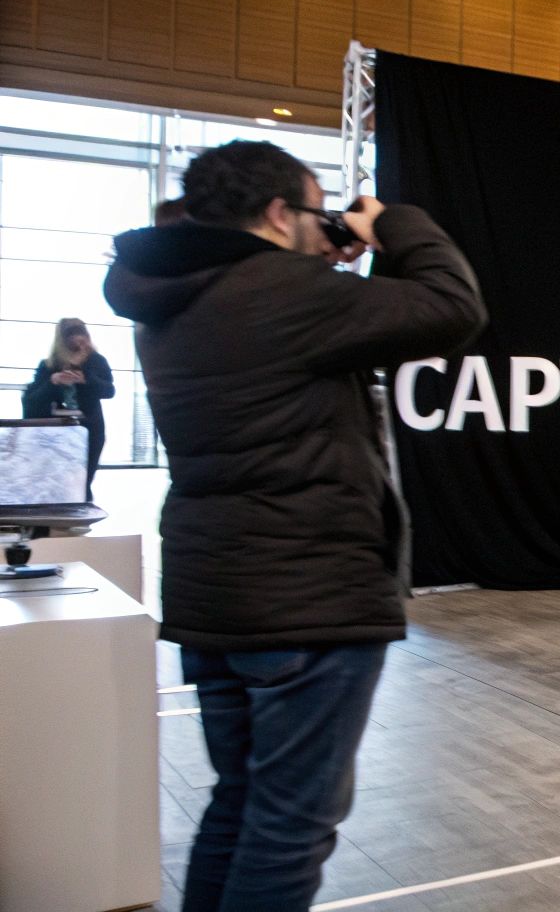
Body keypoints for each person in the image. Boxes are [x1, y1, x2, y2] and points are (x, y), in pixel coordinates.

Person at [104, 140, 486, 911]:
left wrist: (324, 257)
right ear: (281, 212)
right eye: (315, 210)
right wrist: (393, 223)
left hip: (217, 596)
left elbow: (298, 341)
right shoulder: (289, 292)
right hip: (307, 599)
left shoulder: (174, 293)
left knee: (239, 806)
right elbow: (453, 305)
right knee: (290, 831)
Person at [22, 317, 116, 498]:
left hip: (89, 430)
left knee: (83, 482)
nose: (77, 340)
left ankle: (80, 517)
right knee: (54, 482)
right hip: (56, 434)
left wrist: (85, 377)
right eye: (72, 335)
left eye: (81, 334)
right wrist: (53, 381)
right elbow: (32, 401)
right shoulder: (49, 365)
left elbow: (109, 391)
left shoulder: (96, 361)